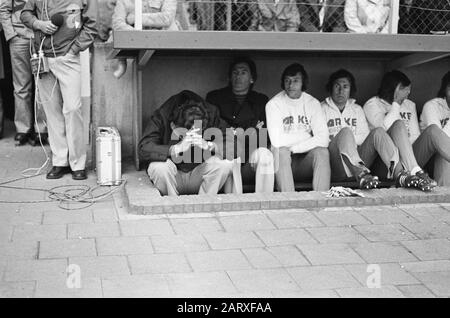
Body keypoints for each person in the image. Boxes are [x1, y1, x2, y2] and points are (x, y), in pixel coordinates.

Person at [21, 0, 97, 180]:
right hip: (42, 58)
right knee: (51, 111)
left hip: (68, 58)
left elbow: (93, 24)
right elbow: (25, 14)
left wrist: (74, 49)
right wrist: (38, 24)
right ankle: (59, 161)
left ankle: (78, 163)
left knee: (73, 109)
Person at [139, 90, 234, 196]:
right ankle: (172, 206)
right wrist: (174, 149)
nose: (191, 137)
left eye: (196, 131)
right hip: (173, 176)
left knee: (224, 164)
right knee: (158, 167)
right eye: (185, 133)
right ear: (173, 126)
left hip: (199, 174)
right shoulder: (162, 116)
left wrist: (209, 146)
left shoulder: (211, 114)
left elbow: (234, 145)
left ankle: (204, 204)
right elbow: (143, 148)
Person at [322, 69, 405, 189]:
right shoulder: (321, 108)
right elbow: (323, 140)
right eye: (337, 86)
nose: (341, 90)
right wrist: (342, 138)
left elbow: (365, 136)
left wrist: (346, 141)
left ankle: (400, 174)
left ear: (351, 89)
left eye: (345, 86)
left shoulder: (357, 109)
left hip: (360, 162)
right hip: (335, 164)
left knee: (378, 131)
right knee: (345, 132)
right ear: (331, 88)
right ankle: (361, 173)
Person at [364, 70, 442, 191]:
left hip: (410, 159)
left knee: (432, 130)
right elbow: (382, 130)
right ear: (393, 88)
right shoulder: (372, 104)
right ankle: (412, 172)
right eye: (404, 88)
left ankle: (415, 171)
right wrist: (396, 103)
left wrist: (405, 152)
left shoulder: (410, 105)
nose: (408, 92)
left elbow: (415, 135)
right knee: (398, 124)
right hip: (386, 162)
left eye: (409, 89)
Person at [206, 57, 274, 193]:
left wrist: (236, 132)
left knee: (265, 154)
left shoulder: (261, 100)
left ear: (252, 78)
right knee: (232, 154)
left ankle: (265, 200)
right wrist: (250, 129)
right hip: (226, 152)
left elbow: (263, 135)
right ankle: (235, 203)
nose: (238, 76)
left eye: (243, 72)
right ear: (230, 77)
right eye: (235, 73)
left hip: (250, 155)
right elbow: (212, 131)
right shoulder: (215, 97)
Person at [266, 63, 330, 192]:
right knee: (281, 151)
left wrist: (295, 148)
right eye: (287, 81)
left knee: (322, 152)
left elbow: (323, 139)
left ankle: (322, 200)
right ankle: (289, 200)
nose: (290, 85)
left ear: (303, 83)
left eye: (295, 81)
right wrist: (306, 136)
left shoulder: (312, 103)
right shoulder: (274, 104)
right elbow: (277, 141)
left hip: (304, 160)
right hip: (282, 162)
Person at [0, 0, 48, 146]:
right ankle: (23, 129)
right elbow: (3, 9)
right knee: (21, 86)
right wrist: (11, 35)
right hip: (19, 38)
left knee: (42, 85)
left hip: (41, 37)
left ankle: (42, 129)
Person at [111, 0, 179, 78]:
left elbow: (167, 18)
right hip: (134, 46)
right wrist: (138, 34)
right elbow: (117, 24)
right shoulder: (124, 1)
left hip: (166, 48)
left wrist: (136, 18)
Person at [418, 71, 450, 186]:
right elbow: (439, 140)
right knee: (443, 154)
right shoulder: (432, 106)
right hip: (428, 157)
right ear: (444, 90)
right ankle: (446, 197)